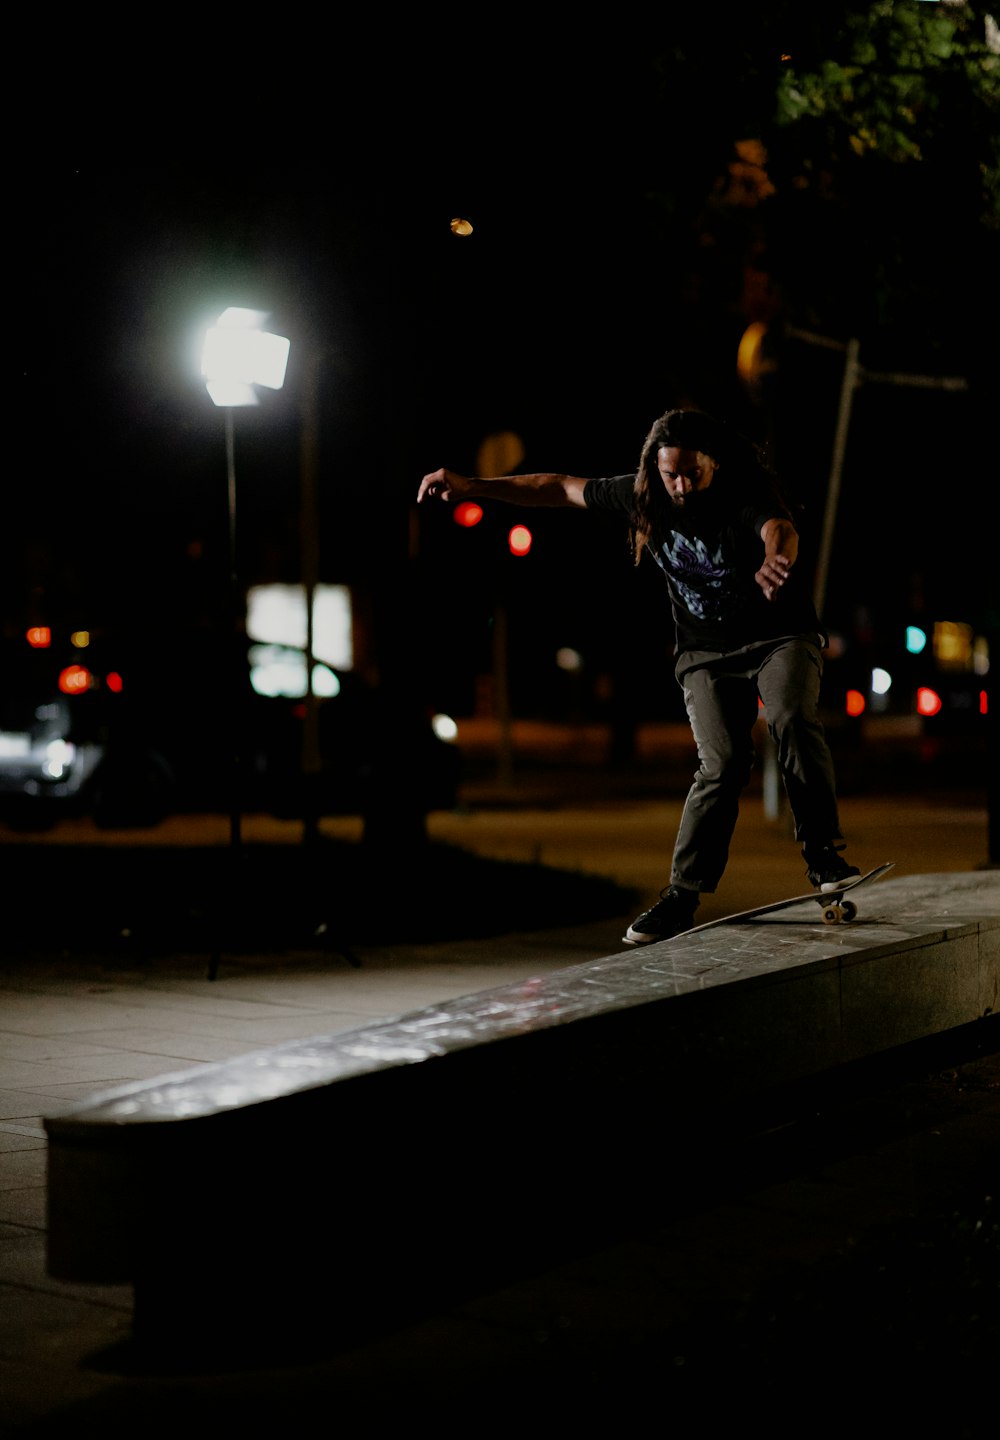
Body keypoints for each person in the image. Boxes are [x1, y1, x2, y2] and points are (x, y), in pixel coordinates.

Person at [417, 407, 860, 945]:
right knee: (720, 764)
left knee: (789, 716)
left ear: (714, 465)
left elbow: (778, 527)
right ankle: (680, 897)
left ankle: (823, 856)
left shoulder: (740, 490)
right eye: (670, 472)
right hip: (704, 652)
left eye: (692, 473)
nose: (680, 486)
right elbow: (555, 487)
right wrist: (473, 486)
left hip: (778, 638)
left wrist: (776, 559)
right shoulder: (643, 493)